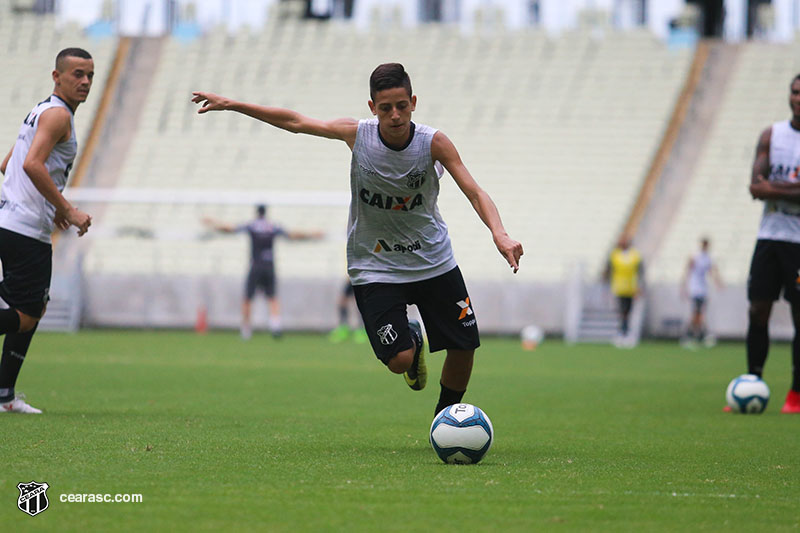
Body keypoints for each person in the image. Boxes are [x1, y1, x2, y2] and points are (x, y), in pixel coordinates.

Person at [192, 63, 523, 415]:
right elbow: (296, 122)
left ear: (413, 102)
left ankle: (444, 420)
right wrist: (234, 104)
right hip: (375, 265)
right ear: (372, 108)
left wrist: (499, 233)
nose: (395, 115)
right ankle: (412, 339)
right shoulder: (358, 135)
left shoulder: (434, 142)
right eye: (385, 108)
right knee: (399, 360)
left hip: (432, 261)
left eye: (401, 106)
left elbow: (474, 191)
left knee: (464, 346)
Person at [0, 48, 94, 414]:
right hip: (24, 228)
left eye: (89, 75)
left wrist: (51, 204)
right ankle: (4, 395)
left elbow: (8, 164)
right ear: (57, 77)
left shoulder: (42, 111)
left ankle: (5, 395)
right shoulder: (57, 116)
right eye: (77, 74)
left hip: (12, 220)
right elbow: (31, 163)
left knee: (32, 306)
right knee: (25, 315)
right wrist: (67, 209)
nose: (84, 81)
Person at [741, 73, 800, 414]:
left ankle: (795, 393)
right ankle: (753, 381)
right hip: (769, 239)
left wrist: (772, 189)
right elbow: (754, 187)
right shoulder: (772, 135)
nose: (797, 98)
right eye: (794, 91)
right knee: (757, 310)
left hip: (798, 242)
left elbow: (765, 188)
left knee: (799, 317)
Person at [204, 204, 322, 340]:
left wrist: (213, 223)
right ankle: (275, 327)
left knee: (248, 298)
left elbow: (230, 229)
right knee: (272, 297)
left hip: (255, 265)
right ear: (266, 213)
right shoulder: (273, 226)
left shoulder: (252, 225)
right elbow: (291, 235)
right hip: (269, 266)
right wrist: (313, 234)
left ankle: (246, 330)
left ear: (256, 213)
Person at [680, 237, 723, 348]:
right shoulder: (695, 256)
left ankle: (696, 335)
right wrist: (684, 286)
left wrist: (717, 282)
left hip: (703, 289)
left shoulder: (708, 258)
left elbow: (713, 270)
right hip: (695, 288)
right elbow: (687, 271)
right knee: (696, 313)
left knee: (699, 313)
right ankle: (692, 335)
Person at [603, 235, 644, 347]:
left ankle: (625, 332)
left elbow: (640, 272)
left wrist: (639, 287)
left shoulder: (635, 255)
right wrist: (606, 284)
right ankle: (623, 332)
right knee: (622, 311)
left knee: (628, 311)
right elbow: (609, 270)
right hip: (619, 288)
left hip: (631, 288)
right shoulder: (614, 255)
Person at [328, 279, 368, 344]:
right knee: (342, 302)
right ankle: (343, 329)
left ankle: (362, 330)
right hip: (352, 277)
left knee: (359, 302)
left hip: (362, 277)